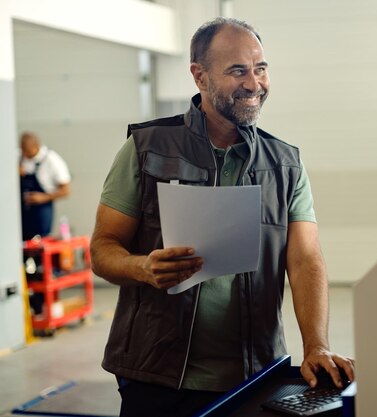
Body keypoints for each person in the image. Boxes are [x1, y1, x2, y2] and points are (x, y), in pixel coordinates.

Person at [90, 17, 355, 417]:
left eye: (260, 68)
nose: (254, 83)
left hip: (254, 376)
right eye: (237, 71)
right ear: (200, 76)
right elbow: (102, 249)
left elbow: (304, 260)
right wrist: (143, 267)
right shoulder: (146, 148)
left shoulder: (285, 163)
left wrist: (315, 345)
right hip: (156, 376)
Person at [19, 131, 71, 241]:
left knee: (40, 242)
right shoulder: (18, 157)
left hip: (41, 210)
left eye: (28, 152)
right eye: (23, 151)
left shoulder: (52, 160)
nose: (25, 155)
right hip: (21, 211)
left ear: (37, 146)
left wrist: (42, 197)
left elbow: (66, 191)